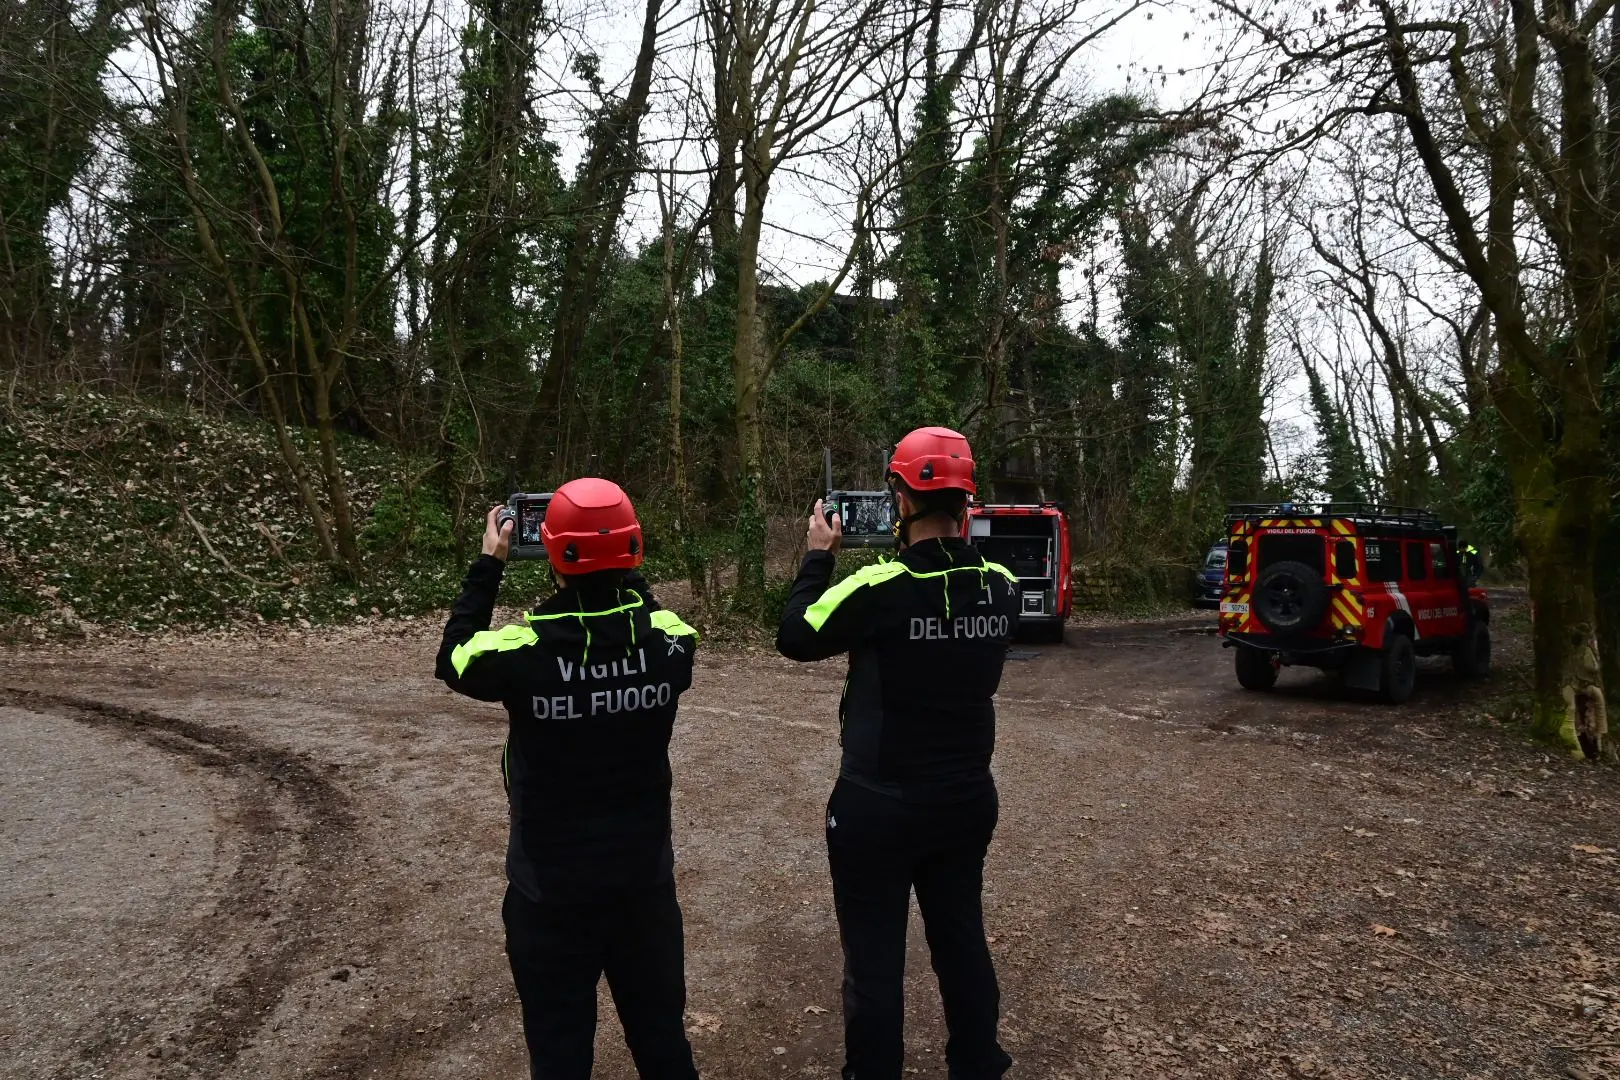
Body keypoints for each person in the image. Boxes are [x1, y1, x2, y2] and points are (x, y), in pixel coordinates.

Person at [435, 478, 701, 1080]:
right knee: (663, 1046)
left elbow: (454, 655)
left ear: (553, 555)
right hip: (643, 887)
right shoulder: (670, 643)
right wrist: (625, 571)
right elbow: (659, 617)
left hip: (549, 895)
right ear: (635, 553)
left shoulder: (522, 648)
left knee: (559, 1057)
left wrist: (490, 561)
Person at [776, 426, 1021, 1080]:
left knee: (875, 961)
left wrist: (819, 555)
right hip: (965, 797)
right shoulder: (1001, 585)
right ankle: (978, 1063)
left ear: (901, 500)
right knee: (961, 938)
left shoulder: (879, 587)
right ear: (967, 500)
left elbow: (796, 635)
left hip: (878, 805)